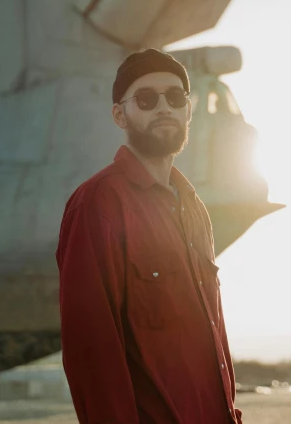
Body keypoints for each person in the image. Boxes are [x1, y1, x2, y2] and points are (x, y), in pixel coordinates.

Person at [56, 48, 243, 424]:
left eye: (175, 97)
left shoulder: (195, 209)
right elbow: (91, 350)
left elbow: (212, 340)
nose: (164, 107)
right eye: (146, 98)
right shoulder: (98, 203)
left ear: (188, 110)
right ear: (119, 114)